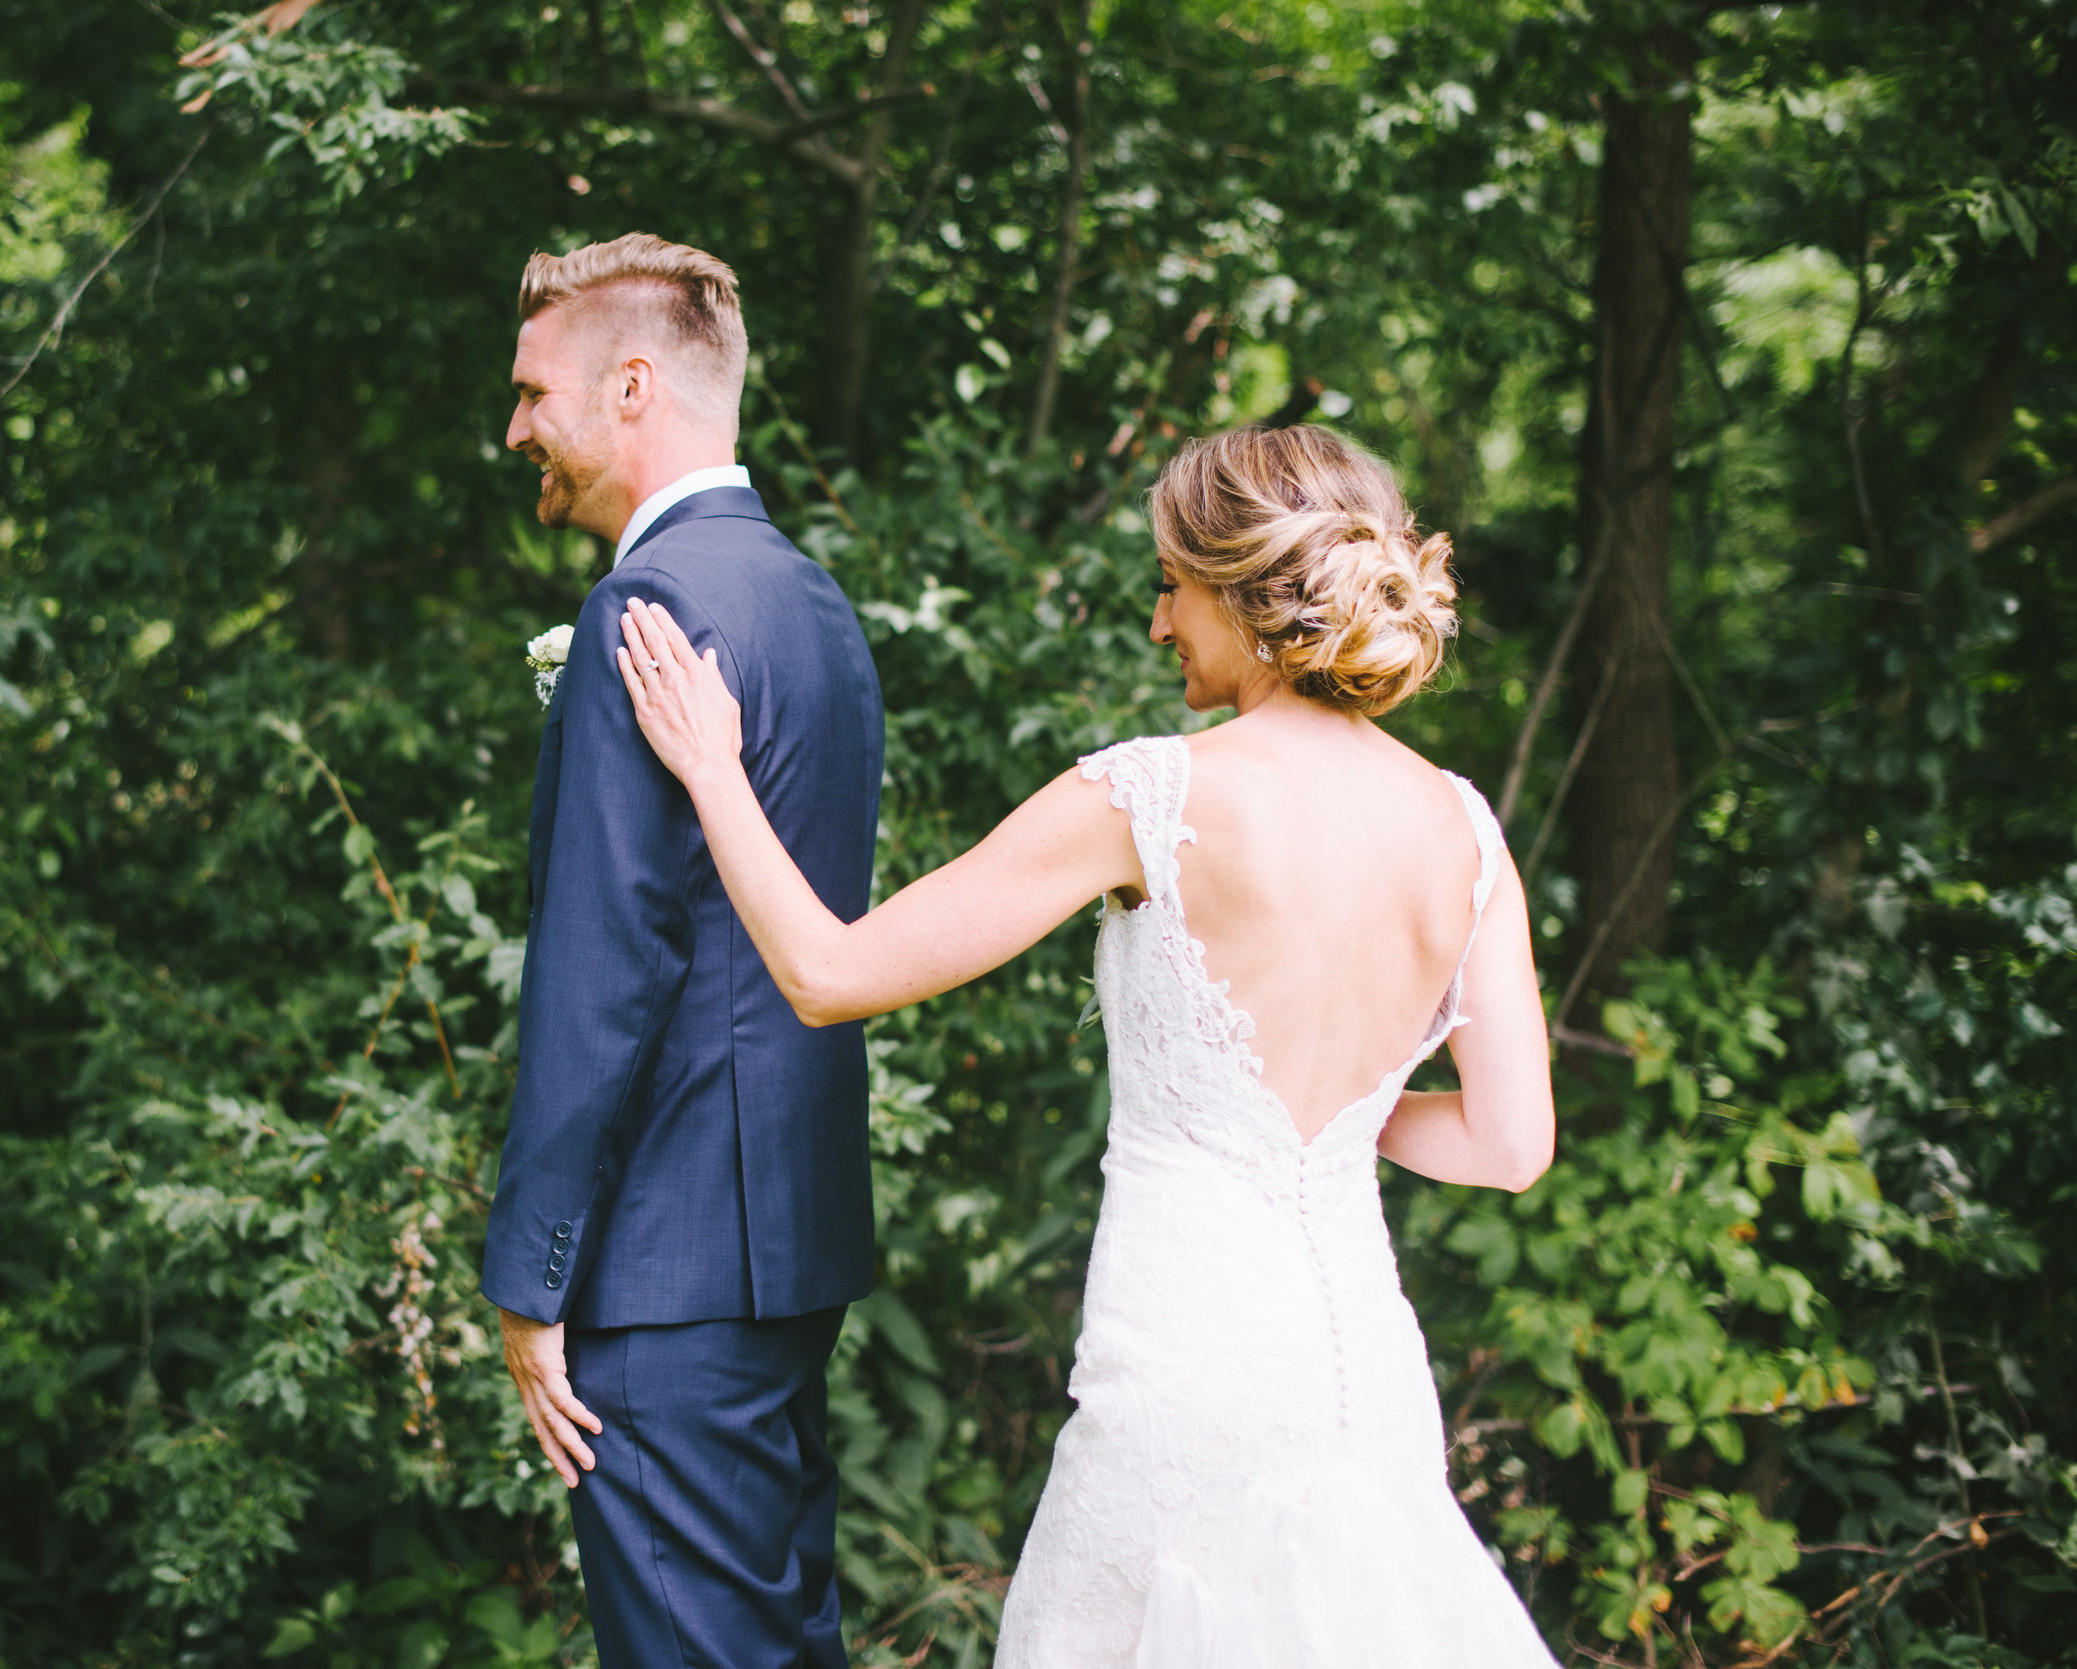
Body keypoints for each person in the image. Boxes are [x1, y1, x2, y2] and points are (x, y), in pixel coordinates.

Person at [613, 422, 1562, 1667]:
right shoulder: (1463, 826)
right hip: (1362, 1377)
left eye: (1171, 585)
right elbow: (1508, 1142)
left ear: (1240, 588)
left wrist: (710, 768)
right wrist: (1333, 1111)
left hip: (1190, 1362)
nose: (1161, 623)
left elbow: (828, 972)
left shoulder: (1153, 793)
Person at [482, 232, 884, 1669]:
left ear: (633, 383)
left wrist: (532, 1277)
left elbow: (609, 972)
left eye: (534, 391)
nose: (515, 425)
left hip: (661, 1266)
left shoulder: (641, 613)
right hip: (783, 1245)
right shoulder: (812, 604)